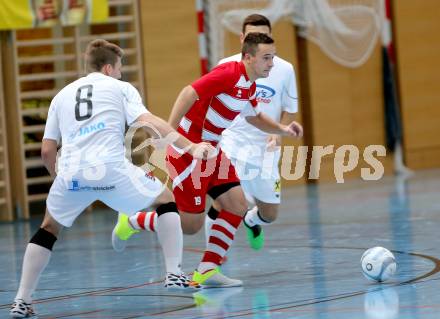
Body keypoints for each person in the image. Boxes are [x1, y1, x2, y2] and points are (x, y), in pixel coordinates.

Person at [9, 39, 212, 318]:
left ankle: (22, 300)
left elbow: (47, 150)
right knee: (166, 200)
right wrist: (190, 146)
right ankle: (174, 272)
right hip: (111, 169)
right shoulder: (121, 88)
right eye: (119, 68)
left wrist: (60, 178)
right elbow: (150, 121)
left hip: (72, 173)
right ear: (108, 68)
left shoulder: (61, 96)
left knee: (48, 228)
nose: (120, 73)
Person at [112, 32, 303, 288]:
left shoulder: (250, 85)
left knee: (236, 205)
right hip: (188, 151)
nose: (271, 64)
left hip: (212, 150)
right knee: (190, 225)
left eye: (273, 57)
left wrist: (283, 129)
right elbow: (187, 93)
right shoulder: (228, 73)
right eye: (266, 58)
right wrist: (170, 135)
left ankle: (208, 269)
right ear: (248, 57)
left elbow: (254, 117)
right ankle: (133, 221)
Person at [205, 14, 301, 251]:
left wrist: (278, 133)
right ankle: (213, 259)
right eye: (252, 35)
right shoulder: (225, 66)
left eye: (265, 35)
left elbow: (289, 109)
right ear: (242, 39)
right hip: (232, 144)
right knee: (222, 201)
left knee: (270, 213)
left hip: (266, 151)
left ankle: (251, 221)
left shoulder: (285, 69)